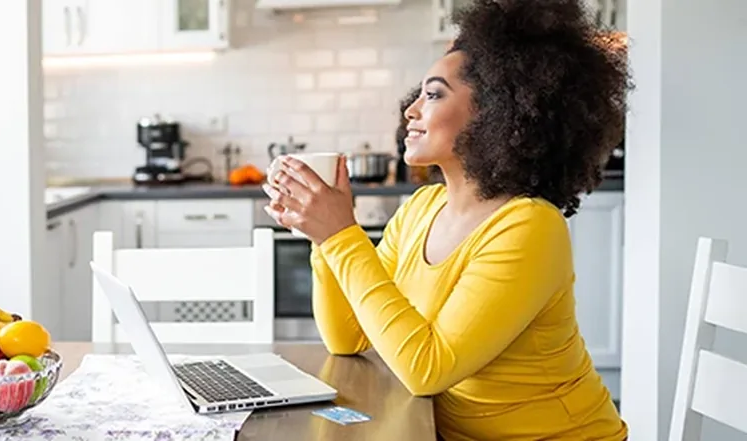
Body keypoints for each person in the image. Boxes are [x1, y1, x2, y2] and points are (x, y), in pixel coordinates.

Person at [262, 0, 631, 439]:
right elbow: (347, 338)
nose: (410, 111)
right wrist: (322, 238)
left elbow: (427, 369)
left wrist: (341, 235)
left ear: (497, 112)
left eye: (433, 94)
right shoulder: (421, 209)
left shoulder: (529, 227)